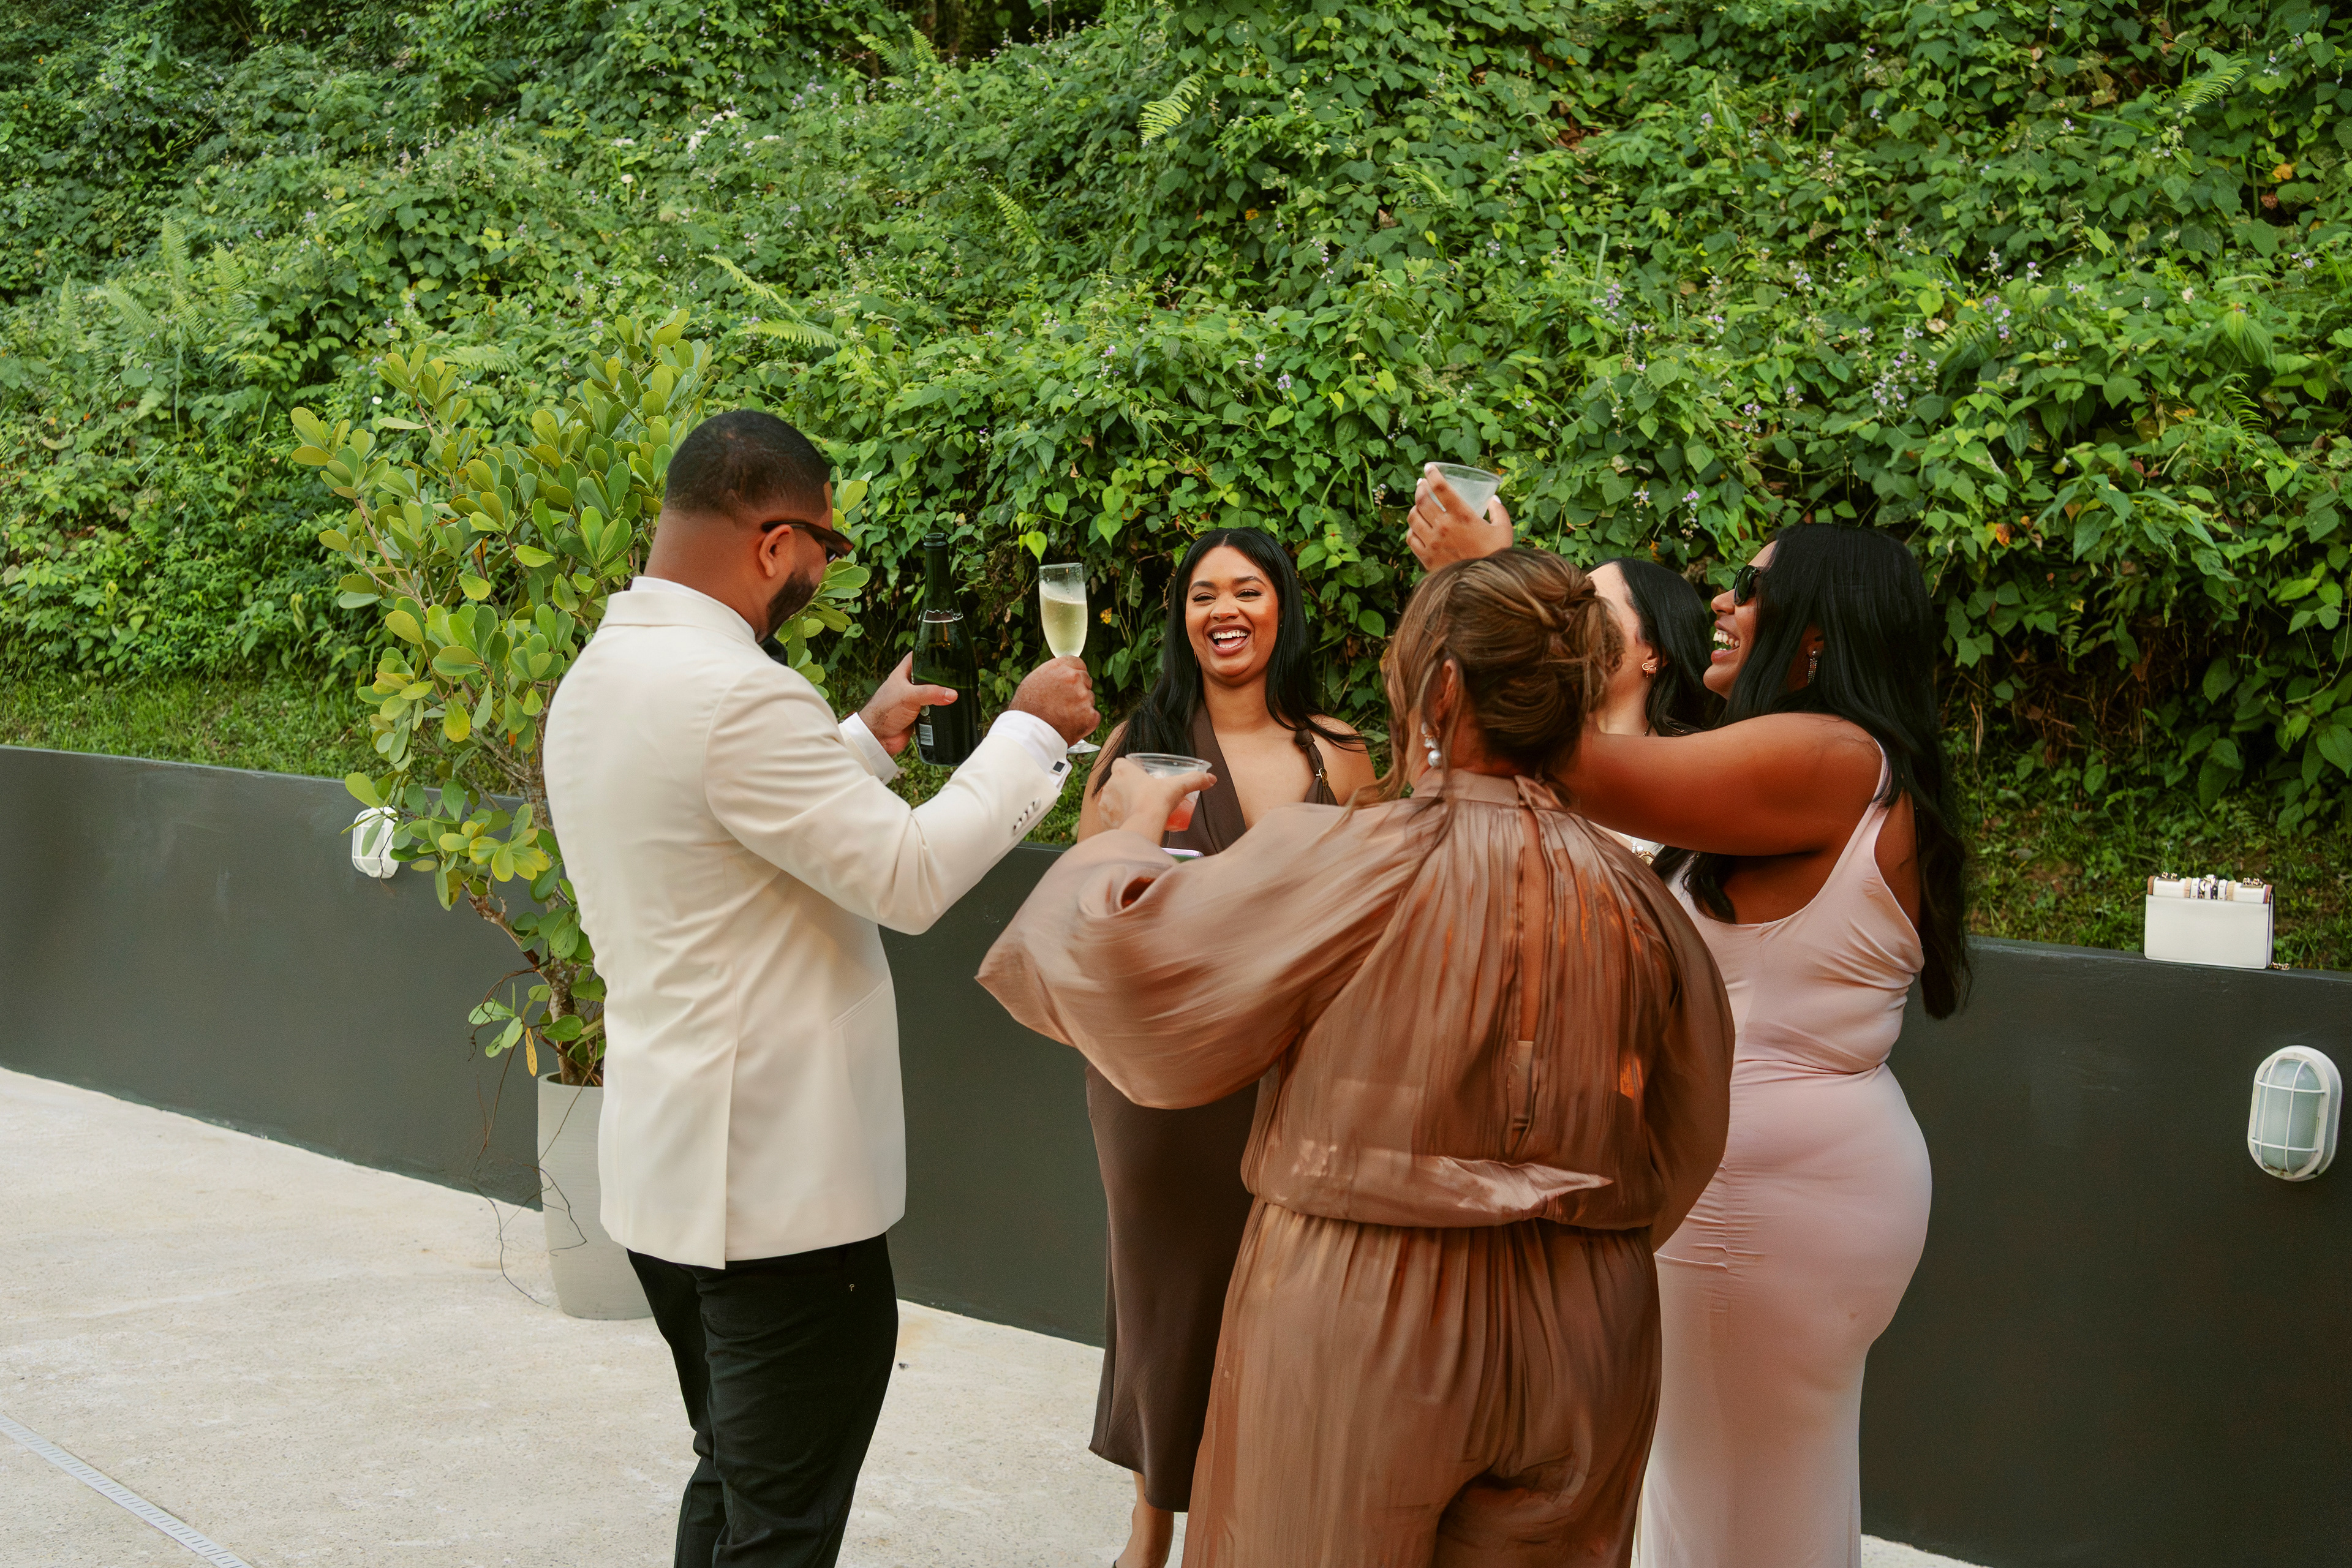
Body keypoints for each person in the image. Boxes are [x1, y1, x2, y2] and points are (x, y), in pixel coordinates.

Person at [979, 548, 1735, 1568]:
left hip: (1362, 1311)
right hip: (1593, 1325)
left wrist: (1123, 837)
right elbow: (1688, 1131)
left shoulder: (1348, 855)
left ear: (1444, 689)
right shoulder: (1642, 901)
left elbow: (1113, 967)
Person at [543, 409, 1099, 1568]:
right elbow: (908, 877)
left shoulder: (603, 675)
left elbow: (715, 834)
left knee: (736, 1480)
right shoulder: (738, 692)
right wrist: (1028, 735)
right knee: (782, 1529)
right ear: (772, 543)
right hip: (775, 1204)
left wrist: (866, 740)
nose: (824, 570)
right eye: (827, 547)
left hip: (670, 1181)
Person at [1411, 483, 1969, 1568]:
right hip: (1792, 1180)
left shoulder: (1831, 755)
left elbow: (1573, 763)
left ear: (1816, 633)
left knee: (1726, 1512)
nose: (1723, 600)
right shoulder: (1836, 761)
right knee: (1756, 1500)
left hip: (1767, 1198)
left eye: (1752, 588)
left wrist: (1494, 580)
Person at [1072, 529, 1376, 1568]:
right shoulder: (1140, 744)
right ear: (1183, 619)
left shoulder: (1338, 753)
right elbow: (1089, 905)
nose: (1225, 611)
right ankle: (1152, 1522)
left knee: (1288, 1296)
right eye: (1204, 595)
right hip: (1159, 1077)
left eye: (1247, 590)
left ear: (1282, 606)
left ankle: (1253, 1519)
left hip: (1298, 1069)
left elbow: (1366, 913)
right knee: (1164, 1287)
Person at [1587, 556, 1722, 860]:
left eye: (1592, 609)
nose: (1565, 622)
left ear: (1655, 653)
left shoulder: (1701, 769)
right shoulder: (1531, 743)